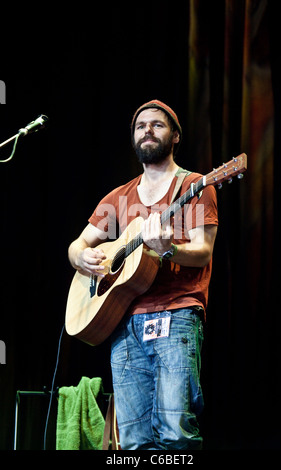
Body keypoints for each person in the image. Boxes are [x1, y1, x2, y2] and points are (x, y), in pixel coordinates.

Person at [68, 99, 218, 450]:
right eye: (140, 126)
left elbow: (204, 252)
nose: (147, 130)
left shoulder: (196, 186)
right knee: (133, 441)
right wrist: (82, 259)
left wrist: (168, 249)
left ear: (176, 136)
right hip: (124, 321)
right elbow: (77, 244)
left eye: (157, 124)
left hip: (177, 314)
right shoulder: (120, 196)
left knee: (175, 432)